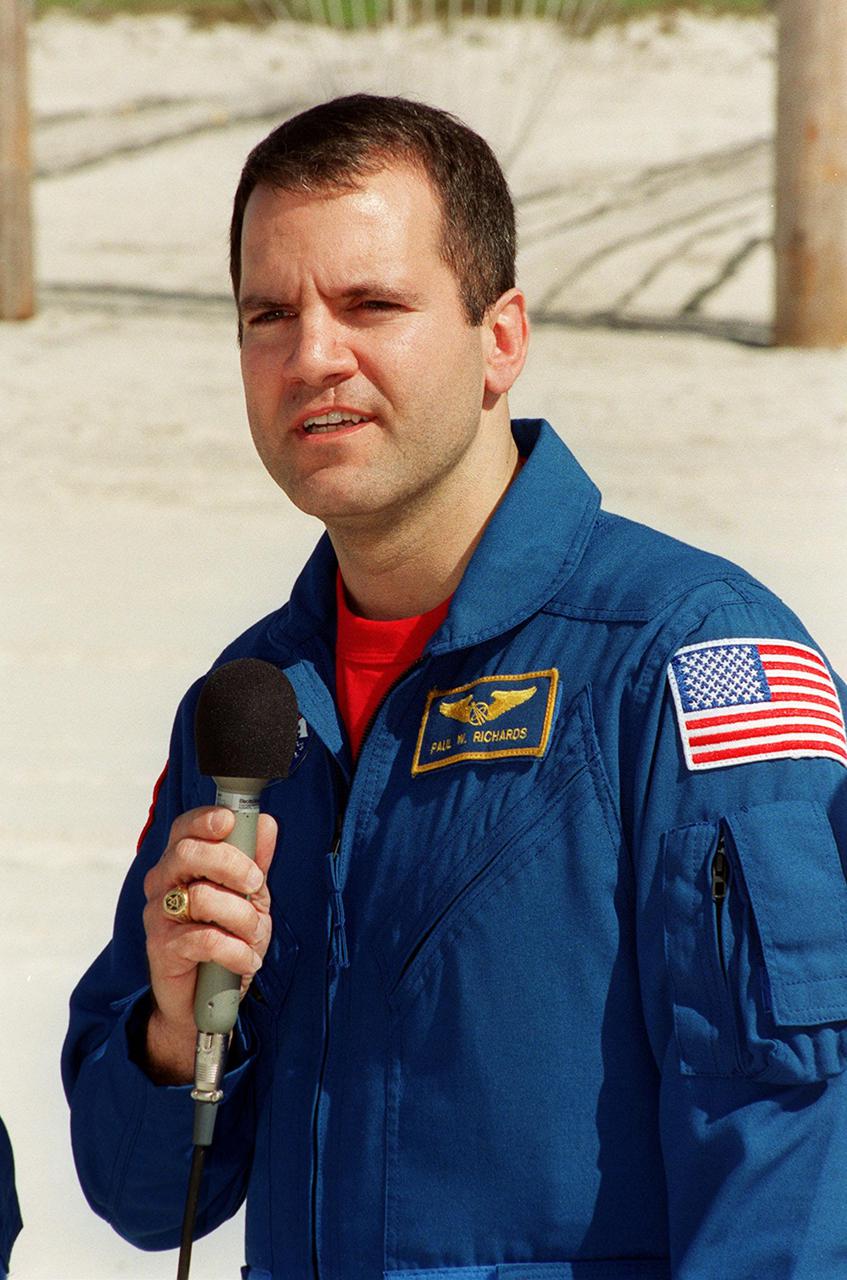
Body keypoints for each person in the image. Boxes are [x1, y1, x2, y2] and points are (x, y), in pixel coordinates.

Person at [63, 94, 847, 1280]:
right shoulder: (247, 709)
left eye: (371, 304)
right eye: (268, 314)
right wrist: (175, 1030)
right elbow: (132, 1192)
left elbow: (794, 1168)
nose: (312, 353)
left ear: (501, 337)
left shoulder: (690, 660)